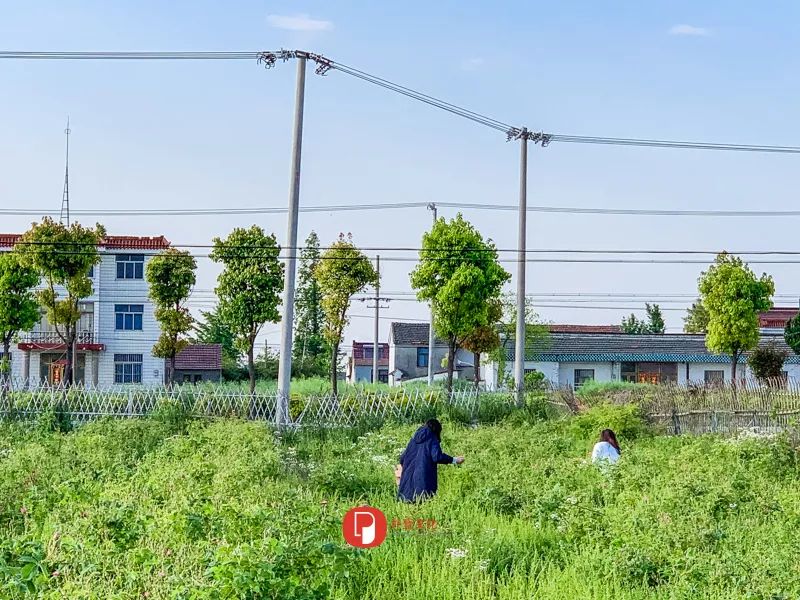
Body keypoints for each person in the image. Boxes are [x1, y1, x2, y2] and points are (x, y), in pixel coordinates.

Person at [397, 419, 464, 503]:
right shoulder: (432, 438)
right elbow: (437, 456)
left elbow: (402, 458)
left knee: (408, 506)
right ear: (437, 430)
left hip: (407, 485)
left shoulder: (413, 440)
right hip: (423, 480)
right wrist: (454, 460)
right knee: (424, 505)